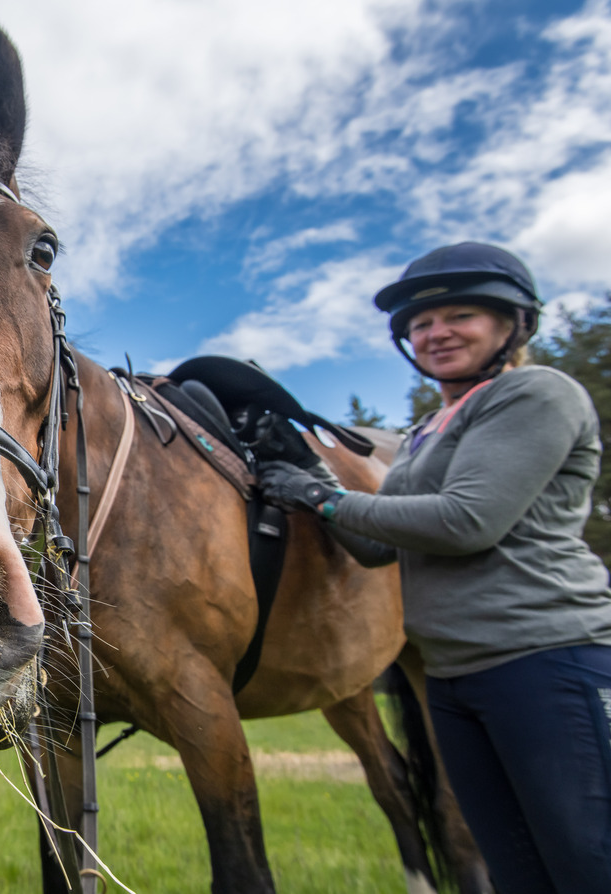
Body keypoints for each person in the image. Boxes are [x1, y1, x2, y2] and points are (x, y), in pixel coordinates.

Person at [259, 242, 611, 893]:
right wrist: (307, 480)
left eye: (460, 315)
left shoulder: (536, 393)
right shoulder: (426, 432)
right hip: (453, 675)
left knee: (587, 859)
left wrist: (328, 498)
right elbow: (376, 548)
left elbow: (465, 522)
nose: (436, 332)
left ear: (512, 323)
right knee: (515, 866)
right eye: (421, 324)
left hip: (544, 659)